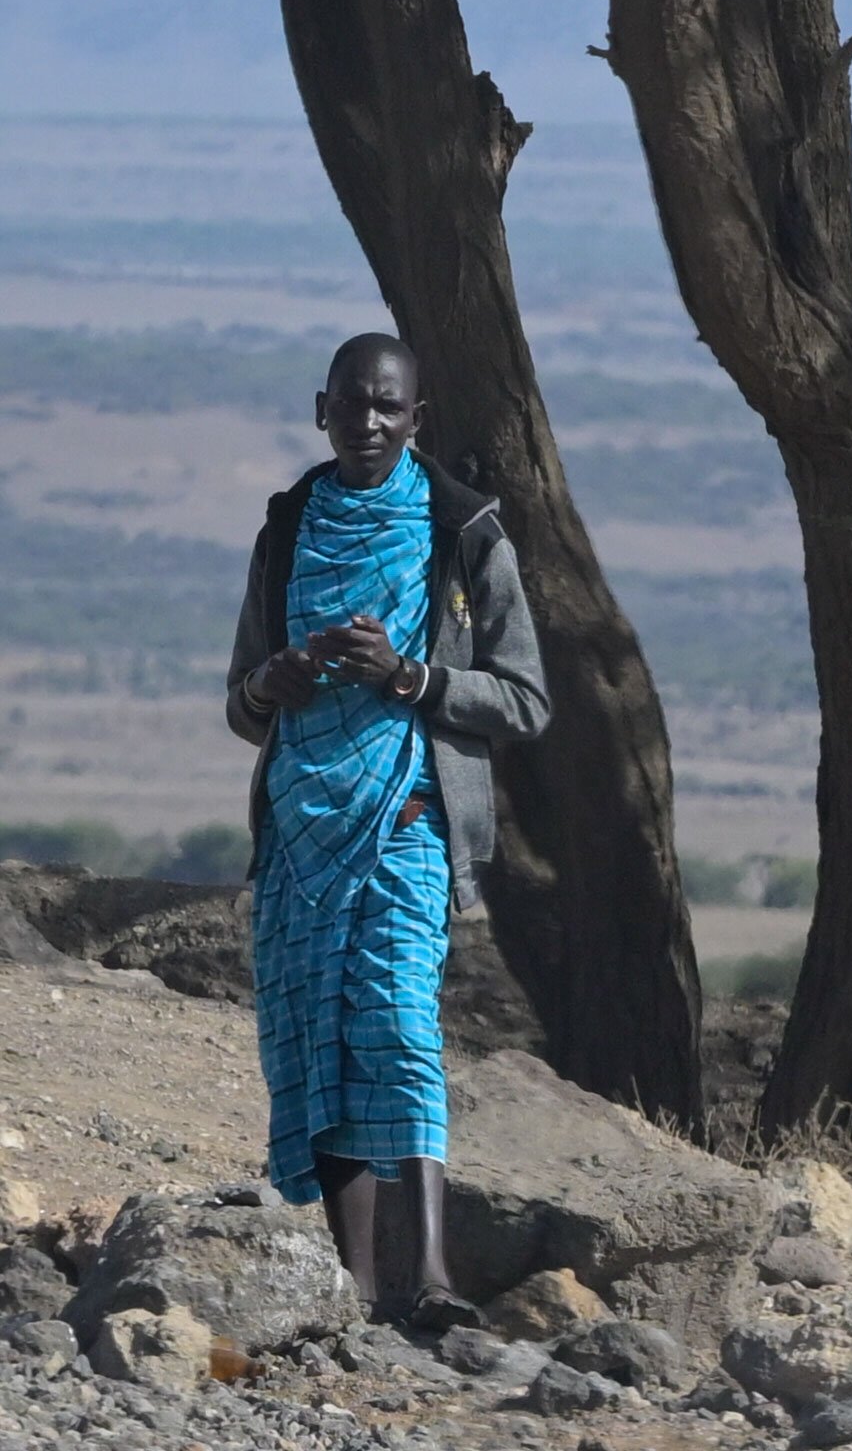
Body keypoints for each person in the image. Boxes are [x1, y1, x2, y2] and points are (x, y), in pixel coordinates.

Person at [226, 332, 549, 1331]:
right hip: (299, 826)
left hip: (408, 819)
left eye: (388, 408)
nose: (367, 424)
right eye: (351, 405)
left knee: (399, 1027)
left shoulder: (464, 536)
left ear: (417, 420)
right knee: (315, 1039)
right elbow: (241, 706)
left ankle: (436, 1276)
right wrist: (272, 685)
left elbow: (527, 700)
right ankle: (354, 1290)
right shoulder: (288, 528)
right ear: (320, 407)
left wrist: (408, 677)